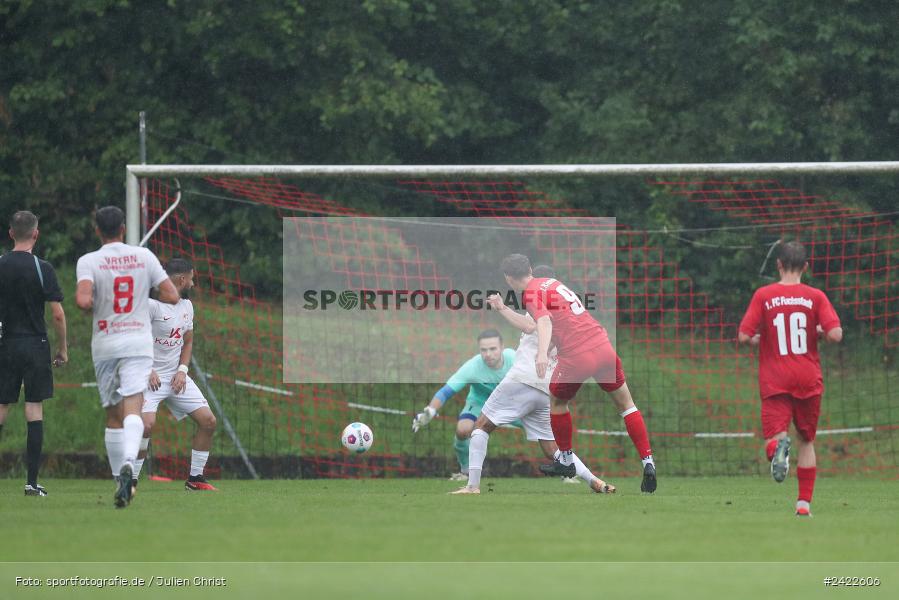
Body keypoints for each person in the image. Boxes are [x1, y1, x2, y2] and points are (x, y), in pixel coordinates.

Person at [451, 265, 615, 495]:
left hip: (525, 379)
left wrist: (500, 307)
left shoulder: (539, 302)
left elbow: (530, 325)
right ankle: (595, 482)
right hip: (546, 388)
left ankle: (472, 486)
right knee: (552, 449)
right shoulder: (570, 315)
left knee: (480, 426)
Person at [501, 253, 656, 493]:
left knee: (556, 400)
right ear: (531, 268)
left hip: (578, 355)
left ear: (509, 279)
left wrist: (542, 353)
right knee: (627, 405)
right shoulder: (554, 283)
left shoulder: (529, 293)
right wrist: (552, 344)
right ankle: (648, 462)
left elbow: (543, 322)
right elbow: (564, 320)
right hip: (603, 346)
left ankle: (565, 459)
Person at [76, 205, 179, 508]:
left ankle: (118, 480)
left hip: (107, 343)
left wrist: (102, 304)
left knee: (113, 415)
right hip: (138, 342)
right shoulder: (144, 256)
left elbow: (83, 300)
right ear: (123, 228)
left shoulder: (88, 260)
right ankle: (129, 471)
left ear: (97, 230)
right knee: (134, 408)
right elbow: (172, 295)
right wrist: (139, 300)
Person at [738, 241, 841, 517]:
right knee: (807, 440)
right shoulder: (815, 296)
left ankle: (778, 449)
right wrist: (818, 331)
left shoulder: (764, 295)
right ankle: (803, 505)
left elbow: (744, 336)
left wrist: (757, 338)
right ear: (805, 267)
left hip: (775, 379)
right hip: (808, 378)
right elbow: (835, 334)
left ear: (779, 265)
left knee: (773, 436)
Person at [132, 258, 218, 491]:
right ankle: (130, 481)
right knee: (147, 426)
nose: (193, 283)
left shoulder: (187, 307)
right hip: (147, 377)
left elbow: (187, 342)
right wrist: (148, 368)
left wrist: (182, 371)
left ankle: (195, 479)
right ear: (182, 279)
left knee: (208, 421)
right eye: (191, 278)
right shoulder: (149, 306)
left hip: (175, 378)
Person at [0, 211, 68, 497]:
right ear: (36, 234)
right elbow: (57, 315)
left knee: (1, 408)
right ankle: (31, 483)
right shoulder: (43, 268)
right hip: (36, 344)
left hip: (6, 344)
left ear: (10, 233)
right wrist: (62, 347)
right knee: (34, 409)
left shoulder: (1, 265)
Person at [412, 329, 515, 480]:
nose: (488, 354)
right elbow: (446, 391)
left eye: (493, 349)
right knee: (462, 430)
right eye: (483, 350)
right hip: (480, 402)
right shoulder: (473, 367)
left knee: (548, 429)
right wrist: (431, 410)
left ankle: (563, 469)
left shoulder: (515, 359)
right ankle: (465, 472)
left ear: (502, 347)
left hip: (513, 403)